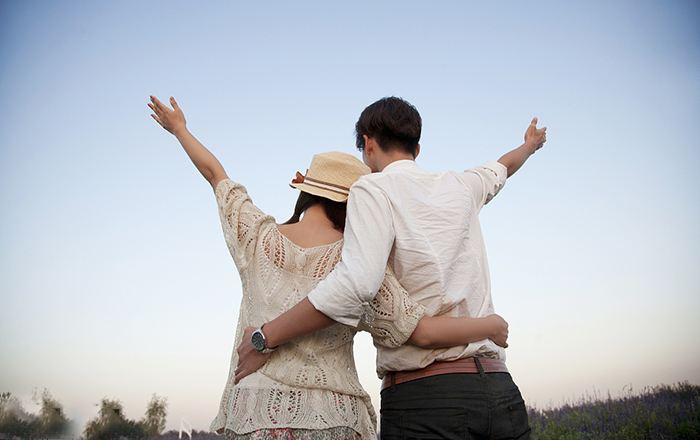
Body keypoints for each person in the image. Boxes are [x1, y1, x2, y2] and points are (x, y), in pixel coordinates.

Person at [147, 94, 511, 439]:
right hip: (339, 417)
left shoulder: (256, 237)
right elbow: (422, 332)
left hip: (257, 413)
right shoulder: (359, 263)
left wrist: (180, 129)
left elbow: (216, 174)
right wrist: (488, 325)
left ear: (306, 191)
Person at [234, 97, 547, 439]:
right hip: (498, 389)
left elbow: (356, 284)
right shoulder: (462, 185)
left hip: (427, 401)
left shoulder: (371, 188)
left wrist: (266, 337)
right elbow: (501, 168)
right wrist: (529, 146)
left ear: (368, 144)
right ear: (417, 147)